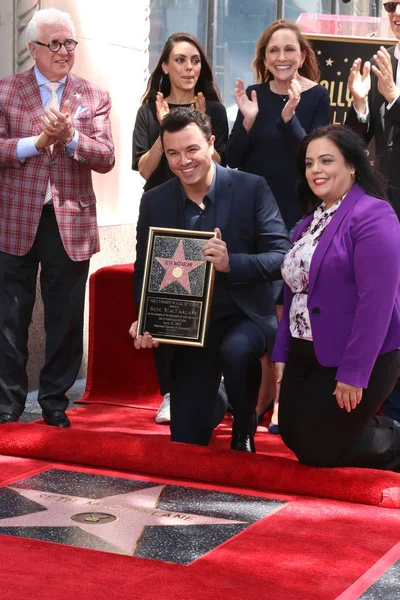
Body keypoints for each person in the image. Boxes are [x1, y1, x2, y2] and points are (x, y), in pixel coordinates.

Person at [129, 107, 290, 452]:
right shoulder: (155, 201)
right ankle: (216, 401)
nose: (183, 161)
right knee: (187, 438)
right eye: (172, 153)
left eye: (191, 150)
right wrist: (145, 318)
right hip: (188, 330)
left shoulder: (251, 188)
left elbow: (283, 257)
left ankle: (245, 425)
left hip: (243, 314)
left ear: (211, 144)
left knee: (235, 351)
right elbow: (144, 268)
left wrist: (233, 262)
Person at [0, 9, 115, 427]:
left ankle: (53, 403)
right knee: (9, 317)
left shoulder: (93, 95)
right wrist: (37, 141)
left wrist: (70, 139)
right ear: (32, 49)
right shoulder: (6, 91)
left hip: (70, 221)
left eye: (70, 43)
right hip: (14, 219)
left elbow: (106, 157)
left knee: (66, 318)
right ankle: (8, 404)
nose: (64, 51)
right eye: (55, 44)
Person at [272, 124, 400, 471]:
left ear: (352, 165)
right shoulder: (307, 224)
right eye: (310, 163)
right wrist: (281, 352)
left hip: (357, 355)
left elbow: (377, 302)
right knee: (292, 435)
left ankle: (394, 439)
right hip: (305, 350)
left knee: (317, 450)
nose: (316, 170)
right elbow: (293, 291)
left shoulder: (374, 214)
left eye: (326, 160)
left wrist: (354, 373)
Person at [132, 32, 229, 425]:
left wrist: (199, 134)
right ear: (166, 67)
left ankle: (213, 380)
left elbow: (222, 162)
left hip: (207, 208)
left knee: (207, 295)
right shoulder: (147, 111)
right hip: (162, 210)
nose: (189, 68)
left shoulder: (216, 109)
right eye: (181, 61)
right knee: (164, 294)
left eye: (195, 61)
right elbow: (144, 167)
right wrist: (161, 129)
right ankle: (170, 391)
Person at [346, 1, 400, 422]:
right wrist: (363, 106)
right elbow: (376, 138)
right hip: (388, 205)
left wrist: (395, 100)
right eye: (389, 4)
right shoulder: (388, 60)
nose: (396, 11)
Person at [225, 19, 330, 233]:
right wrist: (247, 121)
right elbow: (232, 159)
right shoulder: (253, 95)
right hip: (253, 209)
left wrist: (289, 118)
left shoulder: (318, 95)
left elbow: (314, 159)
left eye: (289, 49)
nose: (281, 57)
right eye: (274, 50)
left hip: (299, 210)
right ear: (265, 59)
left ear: (301, 57)